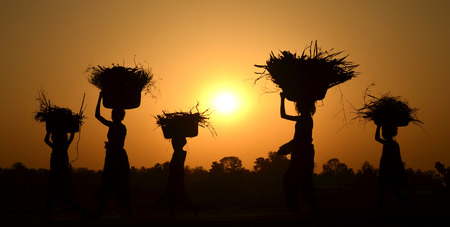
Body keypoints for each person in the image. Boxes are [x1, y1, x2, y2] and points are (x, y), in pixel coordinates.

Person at [94, 92, 132, 218]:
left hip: (115, 157)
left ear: (118, 116)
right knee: (115, 183)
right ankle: (127, 211)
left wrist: (100, 98)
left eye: (113, 114)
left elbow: (97, 116)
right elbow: (97, 116)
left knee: (110, 183)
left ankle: (127, 211)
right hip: (116, 156)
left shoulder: (118, 126)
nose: (112, 115)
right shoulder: (120, 126)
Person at [279, 92, 316, 211]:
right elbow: (283, 115)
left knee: (296, 179)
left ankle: (301, 205)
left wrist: (286, 147)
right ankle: (305, 205)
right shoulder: (303, 118)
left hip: (303, 152)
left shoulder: (305, 119)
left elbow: (299, 138)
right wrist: (282, 99)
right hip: (301, 151)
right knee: (302, 179)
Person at [44, 131, 85, 219]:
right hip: (61, 173)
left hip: (57, 173)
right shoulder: (64, 145)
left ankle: (81, 209)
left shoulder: (56, 147)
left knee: (53, 195)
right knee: (59, 196)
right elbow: (71, 137)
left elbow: (46, 140)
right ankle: (81, 209)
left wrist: (49, 131)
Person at [159, 136, 198, 217]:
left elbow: (175, 167)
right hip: (176, 176)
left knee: (178, 194)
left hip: (176, 177)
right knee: (175, 194)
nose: (173, 144)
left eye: (174, 143)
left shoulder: (179, 154)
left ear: (178, 144)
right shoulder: (179, 153)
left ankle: (194, 208)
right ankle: (173, 211)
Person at [375, 125, 410, 209]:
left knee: (385, 190)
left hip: (389, 171)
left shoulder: (389, 143)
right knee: (391, 191)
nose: (383, 134)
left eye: (383, 132)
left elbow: (377, 138)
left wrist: (378, 126)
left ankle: (408, 205)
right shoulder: (393, 144)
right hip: (391, 171)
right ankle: (408, 205)